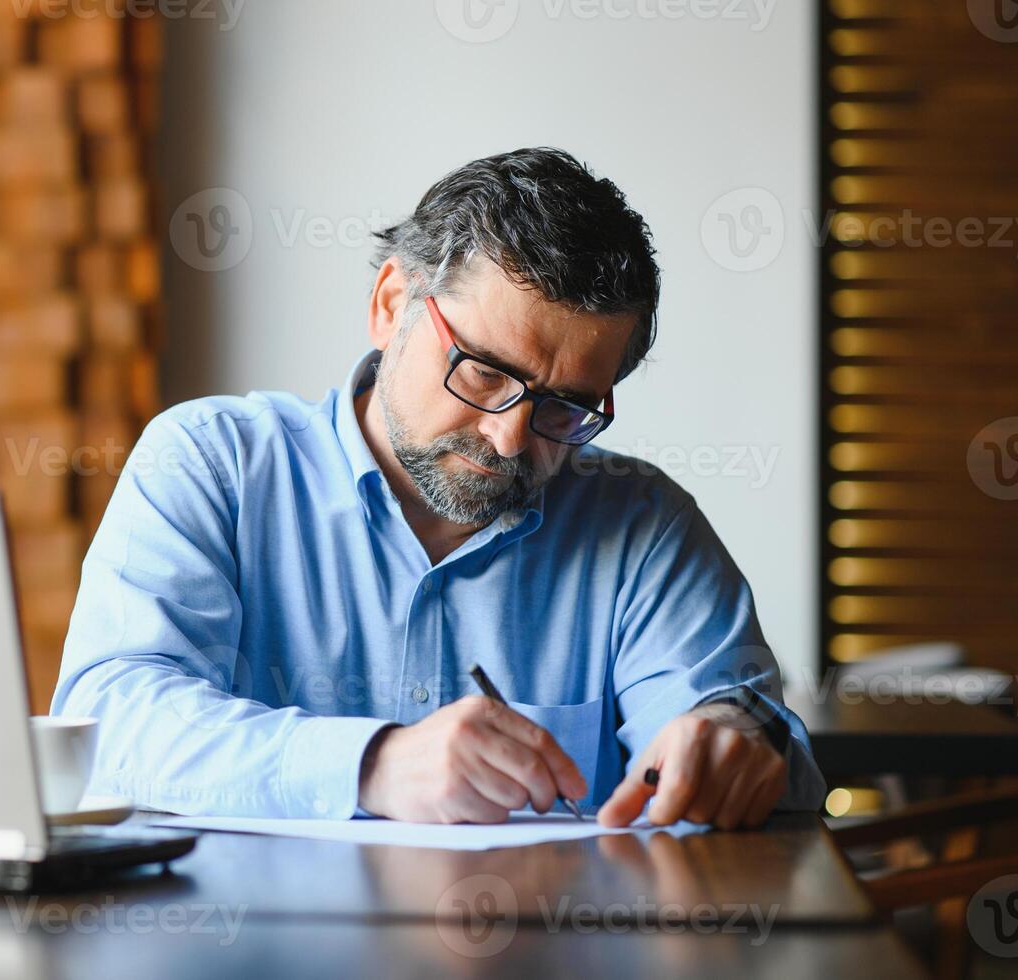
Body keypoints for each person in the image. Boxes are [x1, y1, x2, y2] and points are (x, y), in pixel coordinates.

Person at [53, 147, 825, 828]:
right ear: (391, 305)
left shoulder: (643, 528)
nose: (510, 436)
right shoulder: (211, 463)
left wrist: (731, 737)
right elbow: (110, 726)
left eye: (565, 406)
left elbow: (749, 743)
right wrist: (375, 764)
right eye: (485, 372)